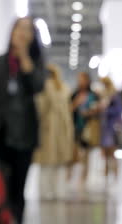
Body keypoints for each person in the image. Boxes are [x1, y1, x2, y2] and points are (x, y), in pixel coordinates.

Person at [0, 17, 45, 223]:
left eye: (28, 30)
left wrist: (25, 59)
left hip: (23, 135)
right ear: (11, 32)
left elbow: (37, 87)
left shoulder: (35, 65)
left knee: (17, 189)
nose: (22, 32)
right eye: (19, 28)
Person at [33, 64, 75, 201]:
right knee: (59, 162)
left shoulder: (44, 87)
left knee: (45, 163)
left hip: (48, 128)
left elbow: (40, 108)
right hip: (62, 128)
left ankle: (45, 192)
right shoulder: (63, 87)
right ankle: (58, 191)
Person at [68, 72, 100, 190]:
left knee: (86, 153)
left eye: (82, 79)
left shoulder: (93, 95)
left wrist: (91, 112)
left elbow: (97, 110)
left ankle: (83, 179)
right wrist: (76, 103)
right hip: (75, 126)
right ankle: (69, 177)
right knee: (72, 152)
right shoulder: (74, 94)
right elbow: (69, 109)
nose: (80, 81)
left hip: (88, 127)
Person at [98, 77, 122, 180]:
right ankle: (106, 174)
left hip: (112, 127)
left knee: (112, 152)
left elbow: (118, 111)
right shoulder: (103, 94)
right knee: (105, 153)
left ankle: (116, 174)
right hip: (104, 127)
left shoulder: (114, 95)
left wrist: (106, 109)